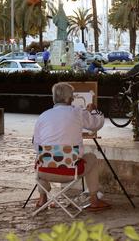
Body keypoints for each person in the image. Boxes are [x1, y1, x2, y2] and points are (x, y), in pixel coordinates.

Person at [32, 82, 111, 211]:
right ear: (69, 99)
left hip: (45, 172)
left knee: (39, 157)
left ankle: (42, 198)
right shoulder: (78, 112)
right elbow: (96, 124)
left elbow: (36, 145)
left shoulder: (43, 116)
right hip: (71, 171)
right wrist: (94, 111)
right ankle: (94, 200)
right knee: (91, 157)